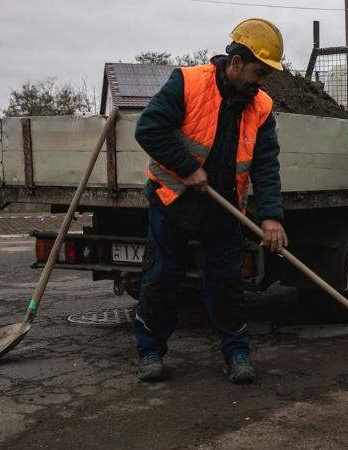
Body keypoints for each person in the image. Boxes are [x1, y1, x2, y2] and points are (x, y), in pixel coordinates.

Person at [133, 18, 288, 383]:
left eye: (266, 74)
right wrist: (187, 168)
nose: (262, 81)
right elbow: (148, 129)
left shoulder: (261, 106)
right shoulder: (187, 83)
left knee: (227, 282)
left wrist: (270, 217)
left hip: (224, 205)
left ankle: (236, 353)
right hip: (172, 199)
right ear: (236, 63)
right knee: (161, 278)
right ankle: (150, 351)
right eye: (258, 71)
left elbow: (266, 165)